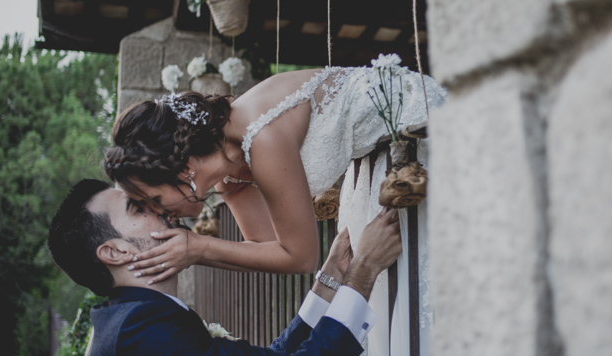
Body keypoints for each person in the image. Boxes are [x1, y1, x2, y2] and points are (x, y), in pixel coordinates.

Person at [47, 178, 403, 356]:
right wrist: (366, 269)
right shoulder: (141, 332)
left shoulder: (135, 318)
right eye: (138, 208)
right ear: (115, 251)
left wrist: (327, 286)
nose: (160, 207)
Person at [103, 57, 445, 282]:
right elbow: (268, 249)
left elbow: (301, 257)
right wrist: (189, 255)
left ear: (184, 168)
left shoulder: (260, 137)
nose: (159, 211)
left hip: (419, 130)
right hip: (382, 160)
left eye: (153, 198)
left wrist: (198, 248)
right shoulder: (230, 177)